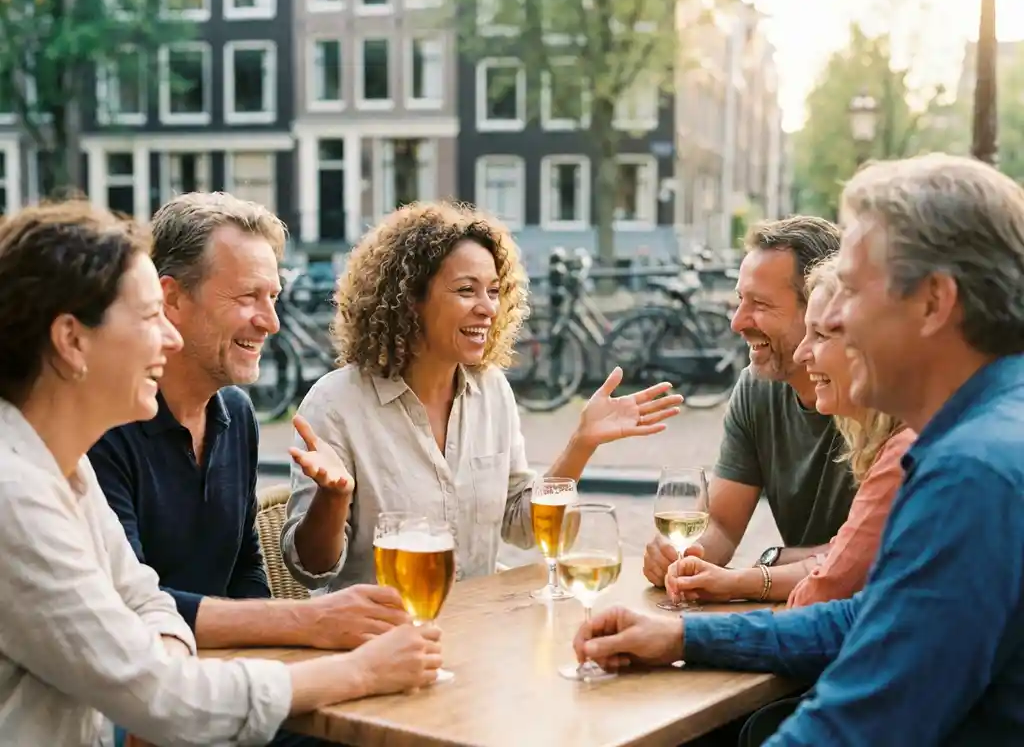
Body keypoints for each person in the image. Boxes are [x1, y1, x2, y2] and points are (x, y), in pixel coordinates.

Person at [573, 154, 1024, 745]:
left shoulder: (971, 472)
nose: (831, 319)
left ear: (934, 302)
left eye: (853, 291)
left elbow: (859, 724)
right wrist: (684, 637)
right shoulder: (990, 427)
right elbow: (874, 619)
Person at [0, 200, 441, 746]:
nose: (167, 338)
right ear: (71, 340)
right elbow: (156, 693)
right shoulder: (15, 494)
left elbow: (145, 602)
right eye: (146, 317)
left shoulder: (59, 467)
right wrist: (361, 670)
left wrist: (164, 665)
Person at [281, 202, 683, 590]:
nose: (487, 308)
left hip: (479, 631)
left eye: (493, 291)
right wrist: (333, 499)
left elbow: (522, 525)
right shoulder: (335, 404)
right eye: (466, 290)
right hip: (378, 637)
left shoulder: (491, 389)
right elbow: (311, 570)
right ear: (410, 300)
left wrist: (582, 443)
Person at [665, 255, 916, 607]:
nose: (802, 353)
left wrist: (684, 639)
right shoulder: (764, 391)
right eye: (740, 300)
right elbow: (847, 564)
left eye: (821, 334)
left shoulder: (907, 446)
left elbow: (829, 589)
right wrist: (686, 557)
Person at [643, 216, 858, 589]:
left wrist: (765, 568)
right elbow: (722, 525)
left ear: (819, 309)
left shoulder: (883, 399)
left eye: (759, 304)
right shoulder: (757, 388)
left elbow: (865, 557)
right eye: (740, 299)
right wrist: (683, 557)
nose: (737, 322)